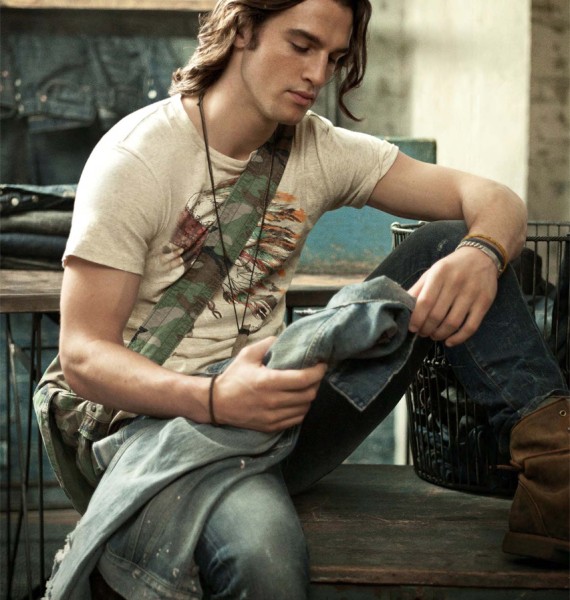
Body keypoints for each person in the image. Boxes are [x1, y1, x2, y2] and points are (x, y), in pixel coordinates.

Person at [38, 0, 568, 597]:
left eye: (334, 57)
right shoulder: (136, 157)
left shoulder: (317, 148)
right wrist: (214, 398)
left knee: (450, 242)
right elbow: (83, 356)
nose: (318, 74)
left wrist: (482, 255)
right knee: (265, 560)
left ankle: (558, 473)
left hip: (279, 418)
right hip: (155, 428)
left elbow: (495, 199)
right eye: (301, 45)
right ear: (242, 28)